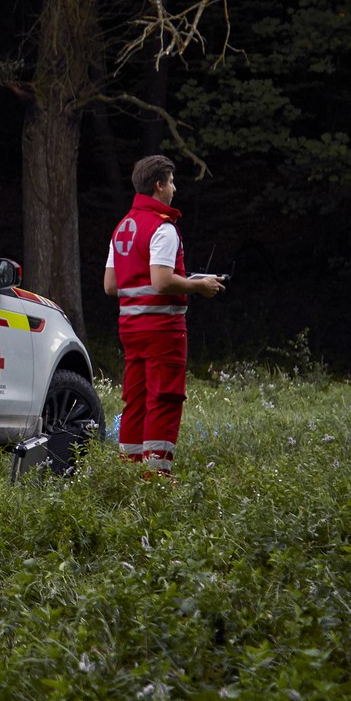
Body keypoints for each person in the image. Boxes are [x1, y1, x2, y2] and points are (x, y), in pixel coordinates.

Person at [102, 154, 225, 478]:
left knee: (136, 400)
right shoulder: (162, 227)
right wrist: (199, 285)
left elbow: (111, 285)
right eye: (171, 182)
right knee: (164, 399)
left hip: (130, 328)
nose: (174, 188)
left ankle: (128, 472)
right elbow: (161, 280)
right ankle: (156, 478)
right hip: (163, 330)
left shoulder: (122, 227)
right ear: (159, 185)